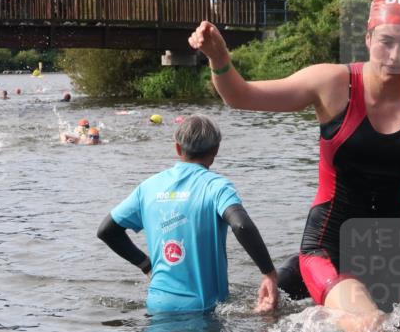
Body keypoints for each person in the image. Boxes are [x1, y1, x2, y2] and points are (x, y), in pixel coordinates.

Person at [189, 0, 400, 332]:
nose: (396, 54)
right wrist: (219, 58)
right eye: (386, 41)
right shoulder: (332, 83)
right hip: (330, 242)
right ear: (368, 37)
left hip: (393, 248)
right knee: (367, 328)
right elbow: (241, 96)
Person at [97, 114, 279, 313]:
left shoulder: (148, 187)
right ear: (216, 149)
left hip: (157, 305)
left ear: (177, 148)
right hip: (203, 310)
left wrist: (146, 265)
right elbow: (241, 225)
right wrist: (268, 273)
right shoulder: (217, 186)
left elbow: (107, 231)